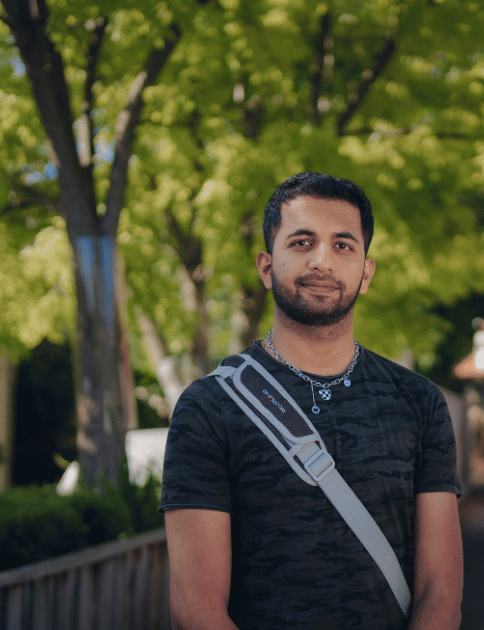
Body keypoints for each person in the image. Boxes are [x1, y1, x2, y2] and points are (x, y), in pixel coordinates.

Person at [160, 172, 463, 630]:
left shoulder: (419, 402)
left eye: (343, 245)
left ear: (366, 272)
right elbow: (195, 607)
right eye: (302, 242)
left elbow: (439, 593)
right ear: (266, 267)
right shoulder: (210, 407)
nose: (322, 260)